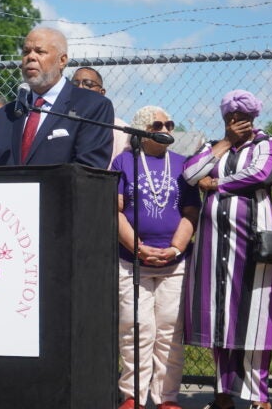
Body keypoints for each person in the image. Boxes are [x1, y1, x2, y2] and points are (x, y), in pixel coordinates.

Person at [182, 90, 272, 409]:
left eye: (241, 116)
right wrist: (225, 143)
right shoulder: (213, 147)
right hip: (214, 246)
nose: (235, 121)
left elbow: (261, 174)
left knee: (255, 313)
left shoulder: (266, 144)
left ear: (253, 117)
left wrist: (217, 183)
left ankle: (259, 397)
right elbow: (190, 174)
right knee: (222, 314)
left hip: (254, 243)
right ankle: (222, 394)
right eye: (230, 117)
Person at [112, 106, 200, 409]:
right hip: (132, 260)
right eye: (157, 124)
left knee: (169, 331)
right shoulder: (124, 162)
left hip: (173, 264)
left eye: (170, 124)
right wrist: (138, 248)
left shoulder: (182, 164)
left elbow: (190, 212)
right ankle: (132, 396)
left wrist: (176, 248)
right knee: (136, 327)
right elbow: (116, 211)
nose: (166, 129)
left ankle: (167, 398)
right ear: (140, 132)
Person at [0, 28, 114, 168]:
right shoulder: (5, 116)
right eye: (26, 52)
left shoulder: (92, 106)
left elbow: (88, 171)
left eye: (40, 52)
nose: (30, 57)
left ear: (62, 60)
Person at [71, 66, 129, 162]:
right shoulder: (60, 118)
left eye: (88, 84)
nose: (80, 87)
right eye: (75, 84)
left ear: (102, 92)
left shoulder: (121, 129)